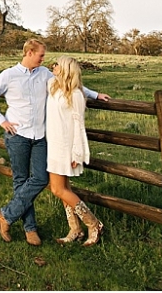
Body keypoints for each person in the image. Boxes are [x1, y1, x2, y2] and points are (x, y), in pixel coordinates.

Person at [0, 39, 109, 245]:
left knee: (41, 179)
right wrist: (2, 120)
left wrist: (95, 94)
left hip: (41, 137)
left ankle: (6, 215)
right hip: (18, 136)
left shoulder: (45, 75)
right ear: (30, 53)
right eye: (41, 55)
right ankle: (29, 228)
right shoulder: (9, 75)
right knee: (21, 181)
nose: (44, 59)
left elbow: (70, 83)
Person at [46, 55, 108, 246]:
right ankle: (75, 229)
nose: (53, 66)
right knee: (64, 189)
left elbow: (79, 125)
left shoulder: (76, 95)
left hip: (66, 147)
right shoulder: (52, 86)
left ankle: (94, 223)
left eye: (57, 64)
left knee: (57, 189)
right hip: (53, 144)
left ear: (65, 69)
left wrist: (77, 153)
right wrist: (95, 93)